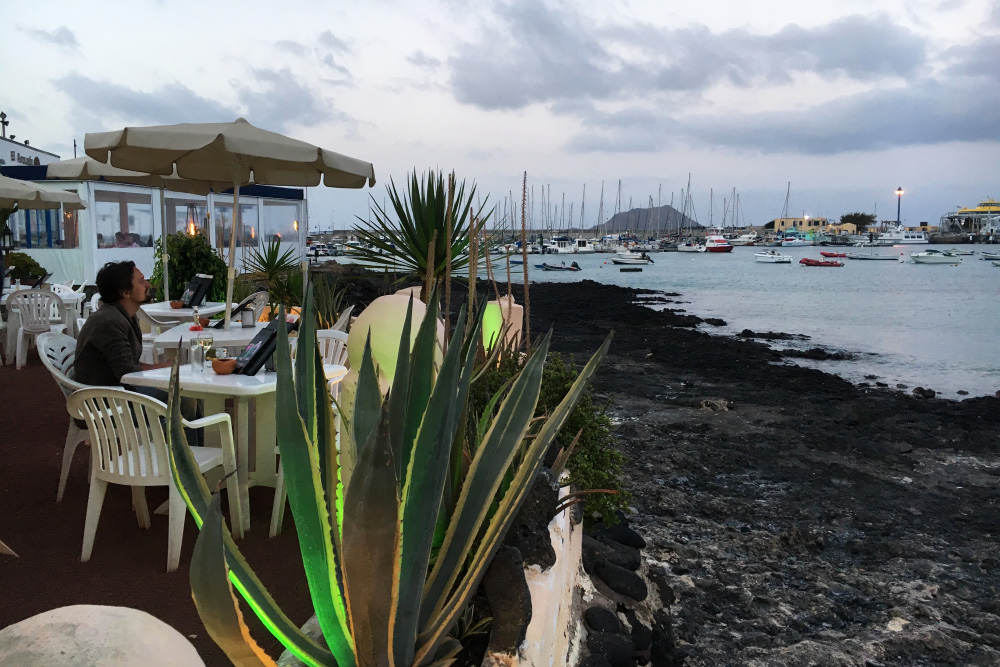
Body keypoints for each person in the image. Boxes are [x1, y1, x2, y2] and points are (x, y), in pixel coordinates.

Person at [75, 261, 201, 438]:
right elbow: (127, 372)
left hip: (115, 393)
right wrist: (169, 366)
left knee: (194, 394)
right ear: (125, 293)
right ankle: (183, 461)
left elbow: (127, 364)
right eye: (141, 281)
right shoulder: (110, 322)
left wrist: (167, 367)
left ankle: (192, 450)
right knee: (184, 399)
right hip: (105, 406)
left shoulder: (123, 316)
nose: (148, 284)